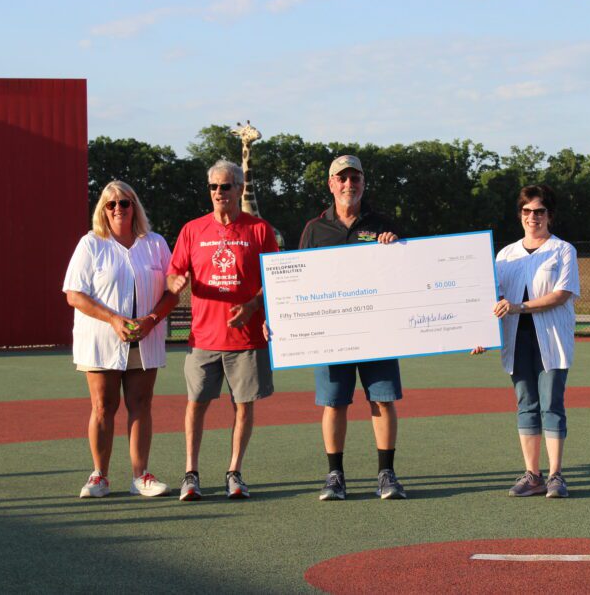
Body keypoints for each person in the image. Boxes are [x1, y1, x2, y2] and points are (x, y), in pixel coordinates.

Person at [166, 160, 279, 501]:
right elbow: (173, 275)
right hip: (204, 338)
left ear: (239, 189)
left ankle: (234, 472)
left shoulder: (259, 231)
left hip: (246, 340)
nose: (218, 193)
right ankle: (191, 474)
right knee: (196, 404)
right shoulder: (192, 230)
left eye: (226, 186)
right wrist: (176, 282)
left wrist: (253, 306)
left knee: (243, 405)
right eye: (213, 187)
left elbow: (275, 280)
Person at [298, 155, 406, 501]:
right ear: (330, 184)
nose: (348, 185)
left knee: (382, 400)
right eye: (341, 179)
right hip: (333, 334)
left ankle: (386, 474)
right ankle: (335, 475)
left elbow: (408, 275)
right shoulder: (315, 229)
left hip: (377, 331)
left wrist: (395, 249)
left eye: (354, 178)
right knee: (334, 403)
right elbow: (297, 282)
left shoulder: (383, 224)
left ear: (363, 182)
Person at [63, 180, 179, 499]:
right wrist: (113, 319)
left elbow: (172, 290)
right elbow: (74, 294)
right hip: (101, 339)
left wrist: (151, 319)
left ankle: (140, 476)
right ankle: (99, 475)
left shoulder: (154, 243)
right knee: (103, 406)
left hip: (146, 336)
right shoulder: (91, 244)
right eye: (110, 204)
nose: (117, 209)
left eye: (124, 203)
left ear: (134, 207)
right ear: (102, 209)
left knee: (141, 404)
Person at [473, 184, 580, 498]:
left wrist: (520, 307)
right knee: (526, 406)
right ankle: (533, 475)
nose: (533, 217)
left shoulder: (563, 250)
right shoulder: (505, 255)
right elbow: (490, 299)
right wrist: (478, 334)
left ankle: (556, 475)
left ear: (549, 215)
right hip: (516, 339)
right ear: (520, 214)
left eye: (540, 211)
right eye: (527, 211)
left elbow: (561, 295)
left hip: (551, 339)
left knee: (552, 406)